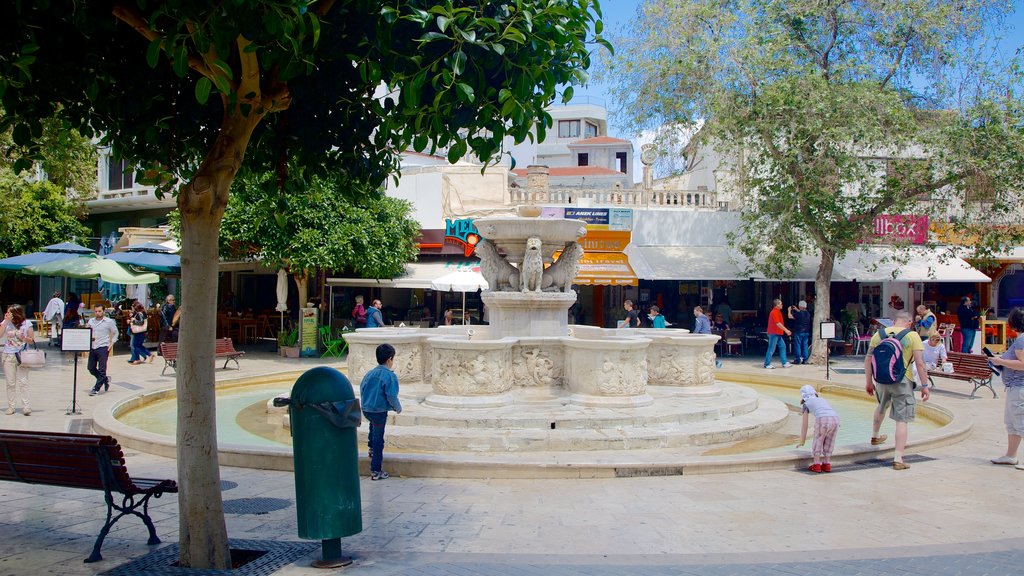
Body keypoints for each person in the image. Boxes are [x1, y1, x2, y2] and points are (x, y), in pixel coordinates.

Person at [863, 311, 930, 470]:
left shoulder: (878, 334)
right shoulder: (913, 336)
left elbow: (868, 359)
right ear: (910, 322)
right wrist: (925, 385)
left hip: (881, 379)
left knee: (881, 406)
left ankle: (875, 436)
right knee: (902, 418)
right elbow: (920, 363)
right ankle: (898, 458)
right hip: (902, 380)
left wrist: (868, 382)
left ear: (893, 321)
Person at [359, 343, 402, 481]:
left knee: (373, 426)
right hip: (379, 411)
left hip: (367, 409)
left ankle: (370, 448)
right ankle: (376, 470)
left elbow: (362, 389)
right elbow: (391, 395)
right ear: (390, 359)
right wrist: (398, 407)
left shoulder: (369, 373)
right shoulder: (389, 376)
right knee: (379, 440)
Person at [989, 308, 1024, 469]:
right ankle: (1011, 455)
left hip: (1019, 387)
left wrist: (1000, 362)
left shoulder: (1021, 340)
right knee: (1012, 423)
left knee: (1020, 422)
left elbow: (1023, 364)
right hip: (1014, 386)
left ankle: (1012, 456)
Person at [796, 385, 840, 473]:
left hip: (822, 419)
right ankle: (826, 464)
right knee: (829, 441)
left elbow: (805, 425)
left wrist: (802, 441)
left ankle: (816, 464)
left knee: (818, 440)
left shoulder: (806, 404)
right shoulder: (822, 399)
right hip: (836, 419)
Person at [1, 305, 35, 416]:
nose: (7, 314)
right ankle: (11, 407)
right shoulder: (6, 322)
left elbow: (31, 340)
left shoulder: (27, 324)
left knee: (23, 382)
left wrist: (23, 338)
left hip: (22, 355)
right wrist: (6, 321)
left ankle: (26, 407)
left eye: (9, 312)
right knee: (10, 383)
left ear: (16, 313)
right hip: (8, 355)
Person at [87, 305, 119, 396]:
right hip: (93, 346)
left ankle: (96, 388)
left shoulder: (109, 322)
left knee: (102, 369)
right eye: (96, 311)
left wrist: (112, 343)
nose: (98, 313)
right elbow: (88, 331)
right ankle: (104, 379)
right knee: (91, 368)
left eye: (99, 311)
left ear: (103, 311)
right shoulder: (91, 321)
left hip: (103, 347)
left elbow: (115, 332)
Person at [764, 298, 793, 369]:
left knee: (782, 346)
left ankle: (784, 362)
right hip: (774, 333)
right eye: (780, 304)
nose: (782, 305)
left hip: (777, 333)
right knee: (771, 348)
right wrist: (786, 330)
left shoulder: (777, 311)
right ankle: (767, 364)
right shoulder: (774, 312)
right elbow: (778, 323)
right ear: (777, 305)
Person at [127, 300, 153, 365]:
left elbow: (141, 322)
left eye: (133, 307)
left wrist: (132, 321)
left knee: (135, 345)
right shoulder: (142, 313)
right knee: (139, 345)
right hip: (142, 332)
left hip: (138, 332)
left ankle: (137, 359)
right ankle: (149, 354)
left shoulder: (139, 313)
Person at [788, 300, 812, 365]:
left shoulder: (798, 314)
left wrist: (789, 310)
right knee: (805, 345)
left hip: (799, 331)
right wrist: (797, 309)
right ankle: (805, 359)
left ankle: (797, 359)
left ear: (800, 306)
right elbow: (802, 313)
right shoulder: (808, 314)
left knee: (797, 345)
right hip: (806, 331)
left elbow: (790, 316)